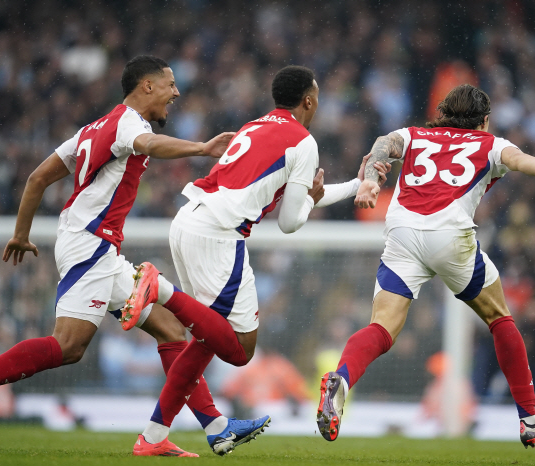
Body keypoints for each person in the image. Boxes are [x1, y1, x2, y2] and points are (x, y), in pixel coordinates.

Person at [0, 55, 264, 458]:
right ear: (146, 86)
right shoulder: (129, 125)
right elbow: (150, 144)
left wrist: (21, 234)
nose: (176, 93)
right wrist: (202, 147)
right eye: (170, 84)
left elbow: (38, 177)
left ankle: (213, 428)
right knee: (68, 346)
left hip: (98, 246)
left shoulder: (95, 127)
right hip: (89, 242)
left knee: (171, 330)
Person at [120, 65, 385, 455]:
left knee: (206, 338)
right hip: (220, 236)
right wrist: (311, 197)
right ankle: (158, 288)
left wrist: (353, 185)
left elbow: (296, 197)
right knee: (241, 350)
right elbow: (292, 222)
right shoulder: (303, 140)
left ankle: (157, 435)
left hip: (191, 220)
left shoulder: (255, 126)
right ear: (309, 100)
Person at [316, 83, 535, 450]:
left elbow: (381, 144)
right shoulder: (491, 144)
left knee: (382, 327)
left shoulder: (413, 134)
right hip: (450, 234)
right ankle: (530, 421)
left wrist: (372, 182)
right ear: (484, 120)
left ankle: (341, 380)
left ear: (444, 112)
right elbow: (522, 160)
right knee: (499, 317)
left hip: (403, 232)